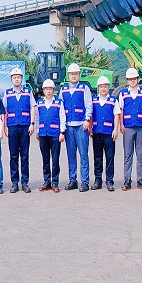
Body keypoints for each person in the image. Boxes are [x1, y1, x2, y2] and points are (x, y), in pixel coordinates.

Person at [116, 67, 142, 191]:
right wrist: (121, 125)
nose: (132, 81)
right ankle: (127, 180)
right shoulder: (123, 94)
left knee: (141, 155)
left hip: (141, 126)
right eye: (130, 79)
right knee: (128, 155)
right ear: (127, 80)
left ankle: (140, 180)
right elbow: (120, 110)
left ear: (138, 79)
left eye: (134, 79)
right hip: (128, 127)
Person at [60, 62, 93, 191]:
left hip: (81, 126)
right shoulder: (63, 89)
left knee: (83, 154)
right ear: (68, 75)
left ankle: (84, 181)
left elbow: (89, 105)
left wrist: (87, 120)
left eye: (76, 74)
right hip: (68, 126)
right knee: (71, 155)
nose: (74, 76)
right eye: (72, 74)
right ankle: (72, 180)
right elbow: (60, 108)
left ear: (79, 74)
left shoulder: (84, 88)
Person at [4, 66, 35, 193]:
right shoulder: (7, 93)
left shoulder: (28, 91)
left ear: (22, 79)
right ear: (11, 79)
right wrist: (5, 126)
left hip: (25, 126)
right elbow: (4, 110)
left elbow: (32, 107)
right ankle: (14, 183)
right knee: (13, 155)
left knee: (24, 155)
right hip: (12, 126)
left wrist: (32, 123)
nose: (17, 79)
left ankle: (25, 182)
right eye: (14, 77)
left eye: (18, 77)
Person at [35, 79, 66, 192]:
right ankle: (47, 181)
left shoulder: (58, 102)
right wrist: (37, 131)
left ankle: (55, 182)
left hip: (55, 134)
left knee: (55, 159)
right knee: (45, 158)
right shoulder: (39, 103)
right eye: (46, 89)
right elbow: (37, 118)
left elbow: (62, 117)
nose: (48, 91)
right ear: (43, 90)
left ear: (53, 90)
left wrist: (62, 132)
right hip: (43, 134)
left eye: (50, 89)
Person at [89, 76, 118, 191]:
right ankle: (98, 180)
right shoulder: (94, 100)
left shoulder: (113, 100)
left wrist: (115, 129)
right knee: (97, 158)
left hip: (109, 133)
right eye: (101, 86)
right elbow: (90, 115)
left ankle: (109, 181)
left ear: (108, 87)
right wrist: (90, 128)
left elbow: (116, 115)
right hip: (97, 132)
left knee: (110, 157)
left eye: (105, 86)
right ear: (98, 88)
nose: (103, 89)